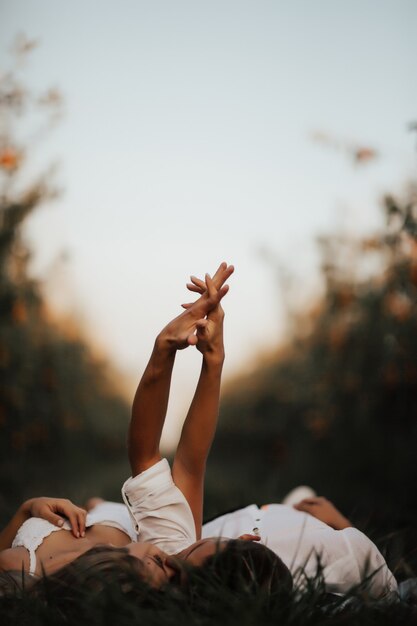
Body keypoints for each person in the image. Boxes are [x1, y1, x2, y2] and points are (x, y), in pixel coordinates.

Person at [0, 262, 398, 599]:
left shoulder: (149, 562)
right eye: (204, 541)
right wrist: (208, 360)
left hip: (88, 526)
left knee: (109, 507)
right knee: (293, 505)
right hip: (115, 521)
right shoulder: (169, 547)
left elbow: (149, 456)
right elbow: (189, 463)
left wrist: (24, 511)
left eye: (188, 555)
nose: (181, 552)